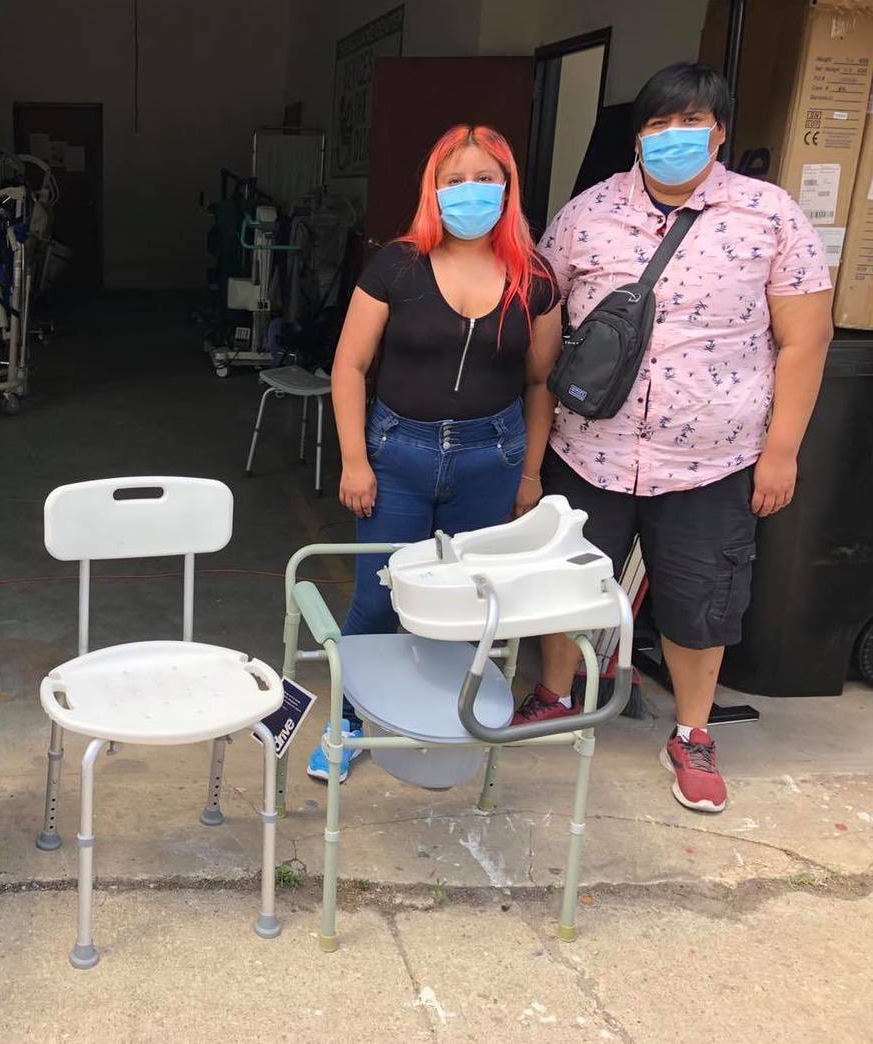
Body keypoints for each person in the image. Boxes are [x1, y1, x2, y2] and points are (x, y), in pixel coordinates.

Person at [518, 63, 834, 813]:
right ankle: (554, 694)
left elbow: (806, 339)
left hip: (711, 461)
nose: (672, 138)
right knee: (565, 584)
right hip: (588, 448)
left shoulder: (771, 216)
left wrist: (782, 449)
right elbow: (539, 311)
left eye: (690, 122)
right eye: (657, 125)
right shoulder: (587, 214)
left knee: (703, 601)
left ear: (720, 130)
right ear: (637, 135)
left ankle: (692, 732)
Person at [307, 124, 563, 783]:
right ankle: (351, 722)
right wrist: (355, 462)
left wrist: (530, 473)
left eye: (485, 179)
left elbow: (539, 384)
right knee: (378, 596)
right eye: (454, 181)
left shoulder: (533, 279)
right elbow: (348, 366)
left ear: (508, 189)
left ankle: (442, 719)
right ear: (433, 190)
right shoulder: (397, 265)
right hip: (398, 454)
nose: (469, 193)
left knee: (464, 601)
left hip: (492, 457)